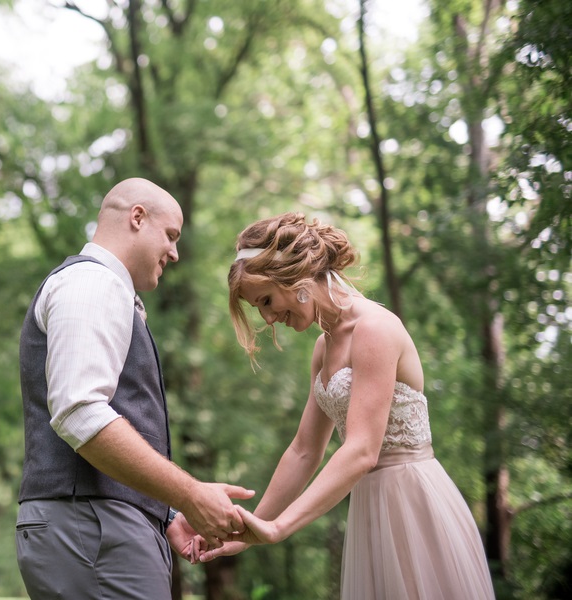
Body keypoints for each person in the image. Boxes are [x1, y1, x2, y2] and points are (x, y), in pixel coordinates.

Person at [197, 212, 495, 599]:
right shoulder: (324, 348)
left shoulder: (373, 328)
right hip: (370, 507)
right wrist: (251, 530)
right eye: (259, 308)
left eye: (266, 300)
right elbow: (304, 451)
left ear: (295, 274)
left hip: (413, 503)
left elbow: (361, 450)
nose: (268, 317)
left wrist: (281, 527)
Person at [16, 177, 255, 599]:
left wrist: (163, 513)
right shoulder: (92, 284)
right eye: (171, 235)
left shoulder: (108, 292)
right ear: (137, 218)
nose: (175, 252)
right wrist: (191, 493)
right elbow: (80, 411)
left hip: (99, 529)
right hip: (93, 531)